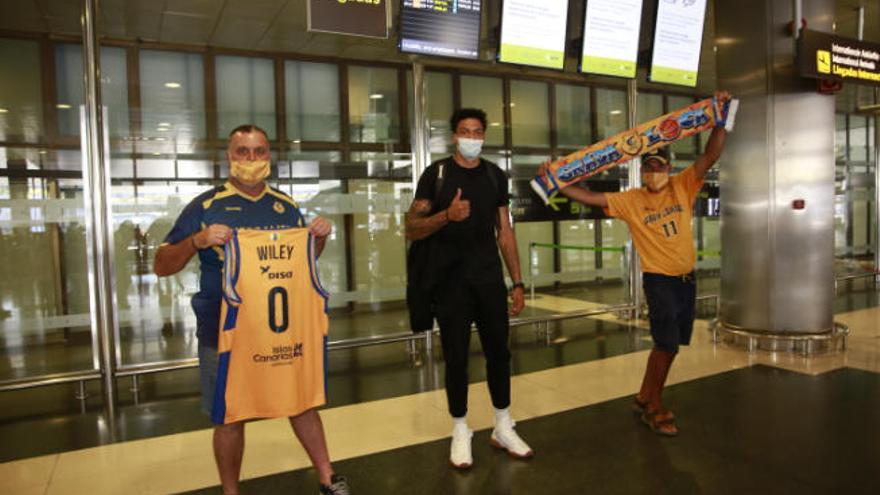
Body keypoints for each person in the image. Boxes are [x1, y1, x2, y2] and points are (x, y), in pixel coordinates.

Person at [153, 125, 349, 495]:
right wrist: (197, 240)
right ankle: (231, 491)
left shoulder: (286, 205)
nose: (251, 159)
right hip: (223, 329)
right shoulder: (205, 206)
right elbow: (162, 264)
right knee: (230, 416)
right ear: (229, 157)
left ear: (269, 157)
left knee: (301, 402)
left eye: (259, 151)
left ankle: (328, 476)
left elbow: (304, 263)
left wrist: (318, 239)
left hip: (281, 328)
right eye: (242, 151)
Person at [539, 91, 731, 436]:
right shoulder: (631, 200)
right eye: (649, 166)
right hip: (659, 281)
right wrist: (558, 182)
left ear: (668, 168)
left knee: (671, 347)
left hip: (686, 281)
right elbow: (591, 196)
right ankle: (654, 407)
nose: (655, 171)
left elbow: (711, 153)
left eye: (660, 166)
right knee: (665, 344)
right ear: (642, 170)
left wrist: (721, 116)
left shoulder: (683, 185)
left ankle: (644, 396)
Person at [405, 108, 533, 468]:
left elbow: (504, 232)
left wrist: (517, 281)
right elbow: (411, 228)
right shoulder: (437, 175)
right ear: (453, 136)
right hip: (449, 284)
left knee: (499, 354)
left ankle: (503, 425)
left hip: (489, 281)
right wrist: (447, 215)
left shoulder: (495, 176)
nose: (472, 137)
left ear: (484, 136)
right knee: (457, 359)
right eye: (465, 131)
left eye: (477, 131)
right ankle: (461, 429)